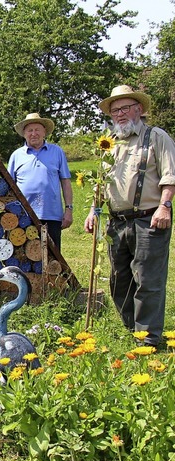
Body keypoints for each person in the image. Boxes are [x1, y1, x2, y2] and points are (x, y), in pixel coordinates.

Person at [85, 85, 175, 348]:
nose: (120, 114)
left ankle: (148, 340)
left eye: (125, 108)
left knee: (147, 281)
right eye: (115, 110)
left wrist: (164, 206)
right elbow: (100, 182)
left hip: (149, 220)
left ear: (139, 109)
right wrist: (93, 211)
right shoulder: (109, 144)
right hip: (116, 222)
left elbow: (170, 176)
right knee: (118, 279)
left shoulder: (156, 137)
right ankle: (132, 328)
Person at [8, 113, 73, 250]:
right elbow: (9, 187)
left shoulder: (57, 152)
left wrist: (68, 209)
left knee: (52, 257)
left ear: (44, 132)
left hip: (51, 215)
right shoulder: (16, 155)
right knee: (23, 256)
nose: (34, 133)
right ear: (24, 133)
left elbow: (66, 182)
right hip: (23, 215)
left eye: (37, 129)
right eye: (30, 130)